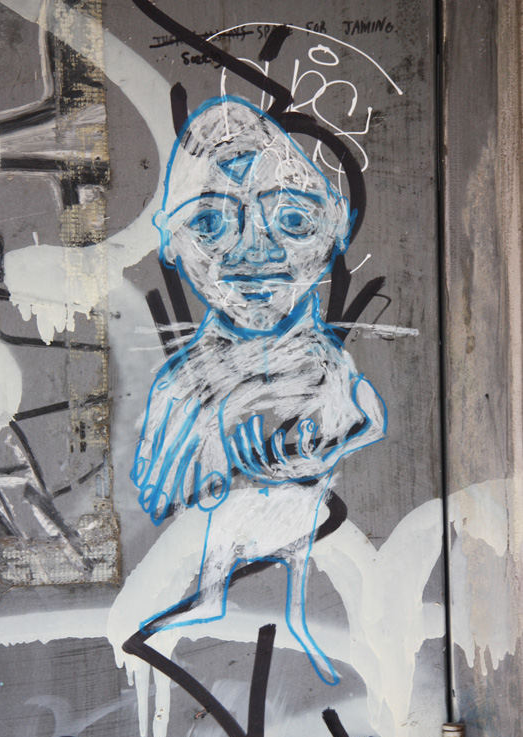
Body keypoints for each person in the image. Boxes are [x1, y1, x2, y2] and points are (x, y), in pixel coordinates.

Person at [129, 96, 387, 684]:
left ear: (336, 229)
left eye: (293, 220)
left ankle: (296, 621)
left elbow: (368, 417)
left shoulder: (325, 365)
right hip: (243, 516)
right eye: (208, 224)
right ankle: (214, 598)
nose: (254, 251)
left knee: (291, 557)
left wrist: (317, 446)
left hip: (298, 509)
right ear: (168, 240)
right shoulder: (185, 386)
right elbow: (158, 497)